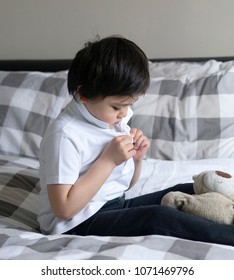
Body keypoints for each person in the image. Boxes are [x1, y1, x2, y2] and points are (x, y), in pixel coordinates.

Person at [38, 36, 234, 246]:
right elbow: (64, 209)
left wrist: (136, 159)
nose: (124, 114)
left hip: (113, 205)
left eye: (129, 105)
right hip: (78, 222)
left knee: (188, 189)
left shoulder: (108, 119)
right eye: (117, 107)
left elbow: (123, 183)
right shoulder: (65, 135)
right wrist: (108, 161)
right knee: (158, 217)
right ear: (84, 94)